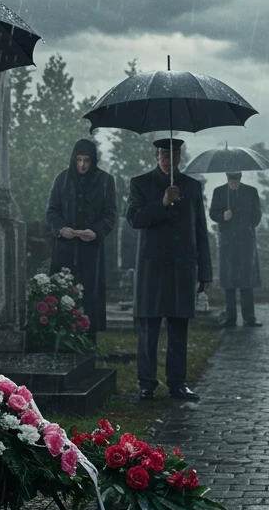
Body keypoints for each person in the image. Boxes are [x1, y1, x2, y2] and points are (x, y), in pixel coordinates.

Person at [126, 138, 212, 401]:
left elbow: (200, 229)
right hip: (152, 269)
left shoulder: (192, 186)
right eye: (164, 154)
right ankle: (147, 383)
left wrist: (205, 272)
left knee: (178, 327)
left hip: (182, 268)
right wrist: (162, 202)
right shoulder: (140, 183)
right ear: (156, 156)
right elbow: (134, 219)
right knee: (149, 327)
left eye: (174, 154)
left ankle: (178, 383)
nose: (169, 159)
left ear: (180, 157)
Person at [45, 138, 117, 335]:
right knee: (63, 295)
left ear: (93, 161)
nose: (83, 165)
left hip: (91, 250)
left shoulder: (105, 181)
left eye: (87, 160)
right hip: (65, 250)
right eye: (79, 160)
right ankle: (63, 343)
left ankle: (88, 343)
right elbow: (51, 212)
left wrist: (96, 231)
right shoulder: (62, 180)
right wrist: (61, 228)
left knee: (90, 298)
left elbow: (110, 214)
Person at [209, 171, 263, 327]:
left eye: (236, 180)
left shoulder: (251, 192)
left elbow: (257, 215)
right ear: (227, 179)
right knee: (229, 281)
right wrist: (222, 217)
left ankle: (249, 317)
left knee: (247, 281)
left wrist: (247, 228)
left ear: (240, 178)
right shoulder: (219, 192)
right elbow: (212, 212)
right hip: (227, 242)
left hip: (246, 242)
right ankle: (230, 317)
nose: (234, 183)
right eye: (231, 180)